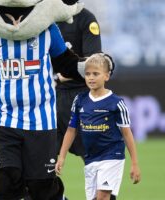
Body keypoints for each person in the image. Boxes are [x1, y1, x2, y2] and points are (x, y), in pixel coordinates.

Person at [0, 2, 94, 199]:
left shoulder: (47, 29)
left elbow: (66, 63)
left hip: (41, 121)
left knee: (41, 189)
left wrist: (94, 67)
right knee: (7, 185)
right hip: (5, 120)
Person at [55, 53, 141, 200]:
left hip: (111, 157)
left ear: (106, 76)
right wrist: (62, 157)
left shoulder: (116, 103)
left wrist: (135, 163)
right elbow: (71, 130)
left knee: (102, 196)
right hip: (90, 158)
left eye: (96, 74)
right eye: (87, 74)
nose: (91, 77)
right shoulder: (80, 100)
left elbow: (127, 134)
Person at [56, 0, 102, 160]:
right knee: (45, 164)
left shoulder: (86, 19)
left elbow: (93, 62)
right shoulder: (47, 19)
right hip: (51, 98)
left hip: (81, 96)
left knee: (93, 160)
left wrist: (58, 77)